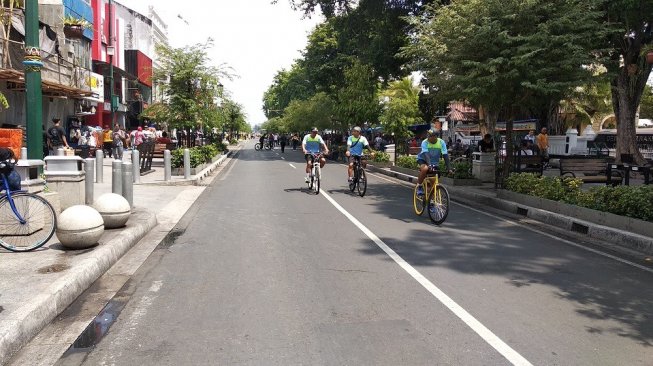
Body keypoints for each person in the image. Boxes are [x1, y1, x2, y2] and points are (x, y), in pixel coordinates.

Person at [416, 129, 451, 197]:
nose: (428, 137)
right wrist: (429, 165)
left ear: (435, 137)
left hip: (434, 161)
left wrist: (449, 168)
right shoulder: (425, 142)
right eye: (428, 135)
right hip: (423, 159)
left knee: (433, 184)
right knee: (425, 169)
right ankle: (419, 186)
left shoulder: (441, 142)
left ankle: (431, 203)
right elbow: (426, 155)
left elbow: (445, 155)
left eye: (430, 136)